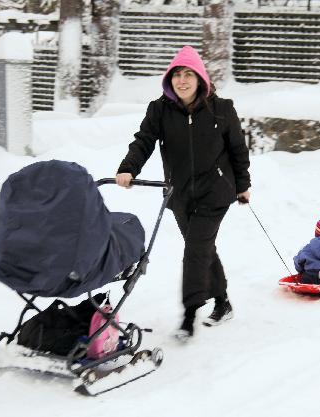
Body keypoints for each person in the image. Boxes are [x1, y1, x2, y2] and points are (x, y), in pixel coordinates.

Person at [115, 46, 251, 341]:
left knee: (195, 250)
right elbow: (144, 141)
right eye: (177, 74)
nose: (182, 80)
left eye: (189, 74)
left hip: (215, 191)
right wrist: (129, 168)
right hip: (179, 194)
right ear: (169, 79)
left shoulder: (221, 108)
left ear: (200, 78)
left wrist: (243, 184)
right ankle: (223, 301)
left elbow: (238, 149)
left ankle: (190, 314)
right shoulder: (160, 109)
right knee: (202, 247)